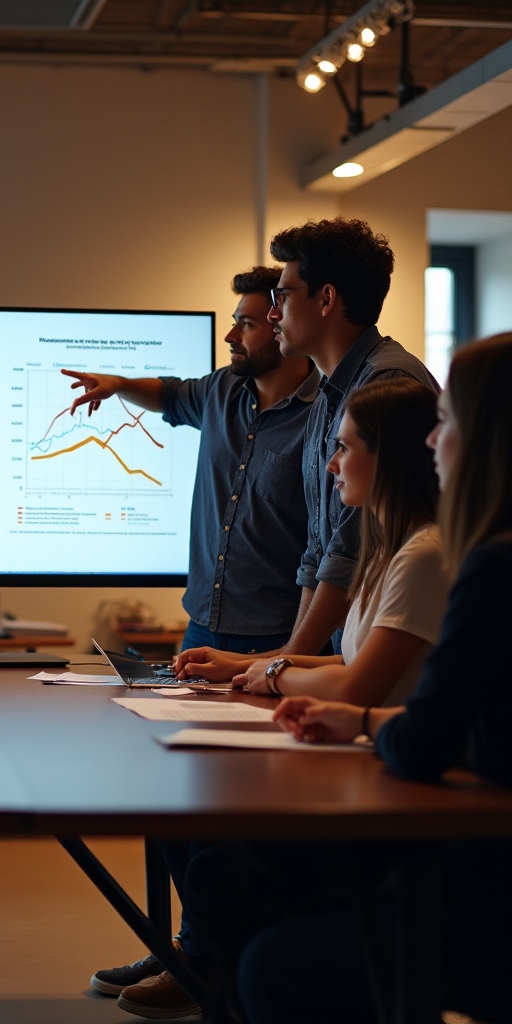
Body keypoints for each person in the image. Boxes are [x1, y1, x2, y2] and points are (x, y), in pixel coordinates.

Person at [185, 334, 512, 1024]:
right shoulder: (409, 549)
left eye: (448, 422)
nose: (434, 442)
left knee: (261, 942)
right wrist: (259, 668)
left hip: (471, 870)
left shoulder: (472, 565)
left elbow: (421, 733)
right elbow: (447, 715)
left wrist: (343, 710)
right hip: (459, 834)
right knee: (225, 872)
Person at [66, 267, 318, 1019]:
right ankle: (185, 945)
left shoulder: (322, 417)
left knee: (227, 818)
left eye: (247, 321)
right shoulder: (223, 392)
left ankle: (205, 959)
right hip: (202, 628)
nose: (232, 334)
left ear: (284, 328)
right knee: (173, 797)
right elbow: (171, 393)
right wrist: (118, 383)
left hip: (270, 639)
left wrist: (288, 658)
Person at [175, 219, 437, 685]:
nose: (274, 314)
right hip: (341, 660)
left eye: (283, 296)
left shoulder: (384, 385)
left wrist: (279, 666)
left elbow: (347, 552)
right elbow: (318, 554)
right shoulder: (326, 396)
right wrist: (274, 662)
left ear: (326, 299)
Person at [174, 378, 446, 708]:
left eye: (344, 448)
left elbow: (356, 687)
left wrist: (275, 676)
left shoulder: (423, 555)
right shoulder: (386, 551)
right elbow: (350, 662)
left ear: (387, 457)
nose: (332, 464)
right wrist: (238, 665)